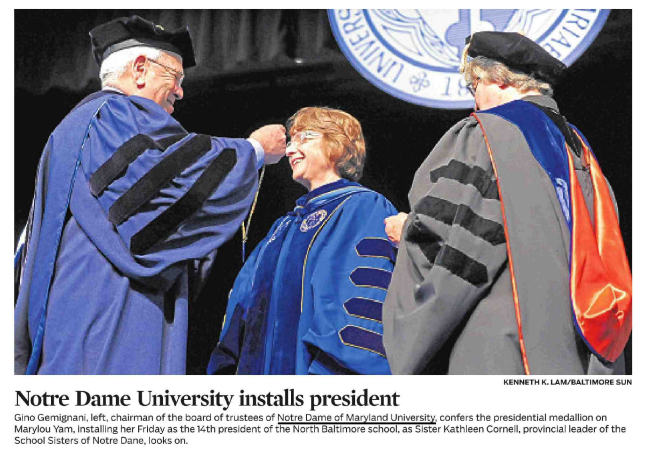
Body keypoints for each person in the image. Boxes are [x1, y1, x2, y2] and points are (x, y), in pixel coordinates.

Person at [14, 15, 286, 374]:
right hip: (106, 308)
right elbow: (161, 186)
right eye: (175, 76)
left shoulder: (75, 127)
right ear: (140, 69)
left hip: (80, 304)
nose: (180, 90)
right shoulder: (111, 114)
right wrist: (253, 151)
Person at [383, 31, 631, 375]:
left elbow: (455, 238)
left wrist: (407, 228)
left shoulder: (484, 135)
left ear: (496, 78)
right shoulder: (579, 148)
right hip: (581, 343)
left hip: (504, 343)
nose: (474, 102)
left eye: (475, 88)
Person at [208, 107, 397, 375]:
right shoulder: (283, 227)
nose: (289, 151)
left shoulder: (362, 206)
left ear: (338, 143)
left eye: (304, 138)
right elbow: (242, 301)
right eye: (290, 142)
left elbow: (361, 301)